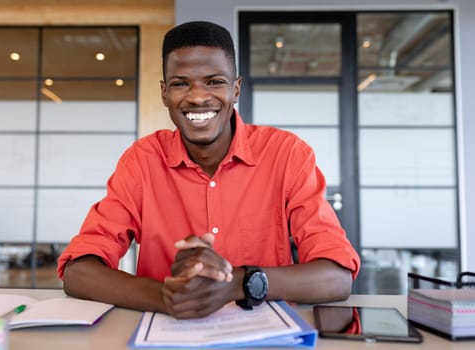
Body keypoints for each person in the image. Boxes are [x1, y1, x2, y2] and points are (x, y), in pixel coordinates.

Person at [57, 20, 360, 319]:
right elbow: (78, 272)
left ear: (236, 88)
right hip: (166, 335)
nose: (198, 97)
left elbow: (337, 277)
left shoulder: (286, 154)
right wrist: (166, 297)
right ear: (164, 93)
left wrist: (238, 284)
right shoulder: (142, 161)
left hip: (265, 337)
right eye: (180, 83)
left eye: (214, 81)